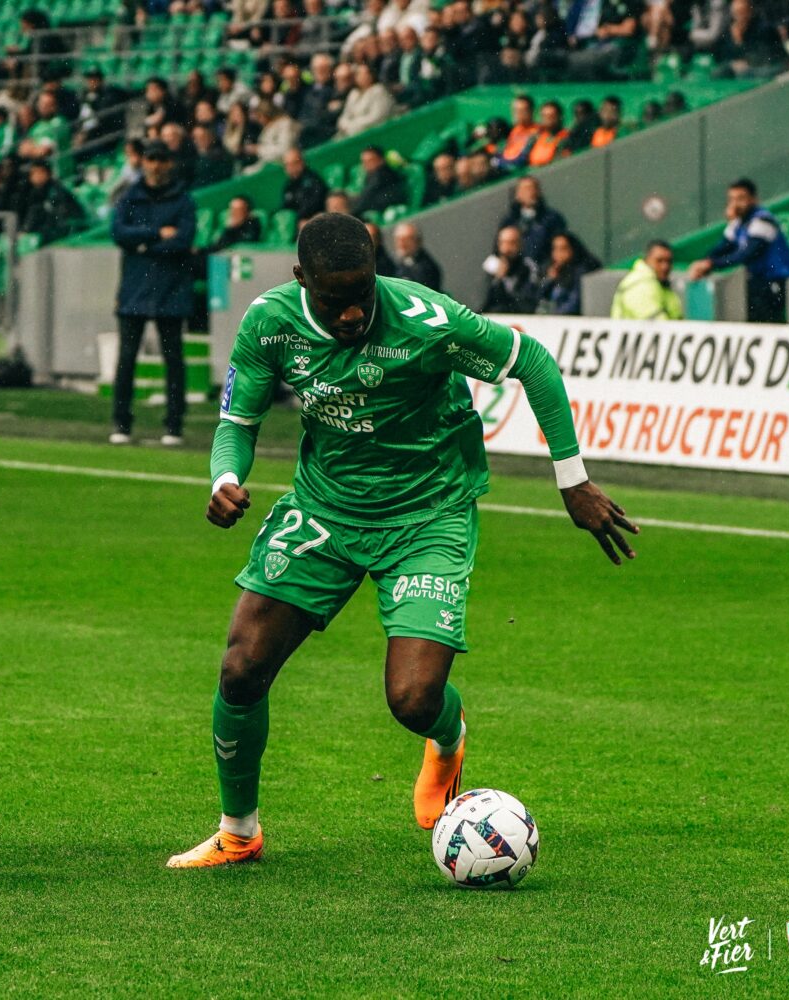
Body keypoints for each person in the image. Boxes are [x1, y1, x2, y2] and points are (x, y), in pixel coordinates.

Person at [167, 212, 637, 868]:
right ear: (302, 279)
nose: (355, 314)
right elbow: (237, 420)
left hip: (429, 515)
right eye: (336, 302)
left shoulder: (426, 320)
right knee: (241, 668)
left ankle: (448, 738)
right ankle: (239, 831)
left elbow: (528, 358)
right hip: (325, 511)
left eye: (364, 295)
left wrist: (573, 480)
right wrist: (225, 476)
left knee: (413, 700)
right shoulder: (271, 323)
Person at [109, 140, 197, 447]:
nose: (155, 165)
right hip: (136, 288)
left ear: (169, 163)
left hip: (169, 288)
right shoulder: (130, 197)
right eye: (151, 159)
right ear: (143, 162)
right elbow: (119, 234)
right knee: (126, 359)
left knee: (173, 360)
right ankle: (121, 423)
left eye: (160, 159)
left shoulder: (183, 199)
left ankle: (174, 425)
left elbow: (184, 239)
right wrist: (158, 234)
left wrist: (142, 243)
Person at [687, 178, 789, 323]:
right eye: (732, 199)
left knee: (768, 323)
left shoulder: (763, 220)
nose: (735, 204)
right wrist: (704, 262)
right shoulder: (738, 222)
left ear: (754, 200)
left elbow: (747, 254)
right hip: (758, 281)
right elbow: (723, 247)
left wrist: (711, 264)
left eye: (741, 199)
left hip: (777, 280)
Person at [499, 176, 568, 269]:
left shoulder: (553, 218)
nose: (531, 192)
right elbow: (497, 252)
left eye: (534, 188)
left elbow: (562, 246)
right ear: (517, 194)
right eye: (526, 189)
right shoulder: (509, 222)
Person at [611, 239, 683, 319]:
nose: (665, 266)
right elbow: (657, 325)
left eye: (668, 261)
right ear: (647, 259)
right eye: (659, 260)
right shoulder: (640, 283)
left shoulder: (661, 284)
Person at [536, 232, 601, 315]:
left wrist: (554, 316)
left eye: (563, 249)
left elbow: (575, 303)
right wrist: (549, 280)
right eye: (555, 249)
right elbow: (538, 297)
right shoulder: (551, 270)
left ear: (572, 250)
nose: (558, 254)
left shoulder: (581, 271)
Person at [482, 225, 541, 313]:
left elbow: (526, 300)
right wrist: (498, 279)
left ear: (520, 244)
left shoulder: (528, 267)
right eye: (504, 243)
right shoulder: (491, 266)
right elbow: (485, 299)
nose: (507, 248)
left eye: (512, 243)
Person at [352, 145, 408, 218]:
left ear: (381, 160)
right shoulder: (370, 176)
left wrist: (353, 213)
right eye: (364, 162)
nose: (366, 165)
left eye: (370, 160)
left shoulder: (382, 174)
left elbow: (367, 196)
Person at [391, 221, 443, 291]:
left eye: (406, 239)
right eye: (398, 239)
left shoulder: (427, 267)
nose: (402, 244)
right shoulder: (397, 264)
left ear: (418, 241)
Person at [280, 148, 328, 224]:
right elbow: (286, 209)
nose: (291, 168)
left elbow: (317, 202)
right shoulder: (288, 186)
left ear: (302, 162)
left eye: (294, 163)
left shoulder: (313, 179)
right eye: (287, 165)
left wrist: (303, 219)